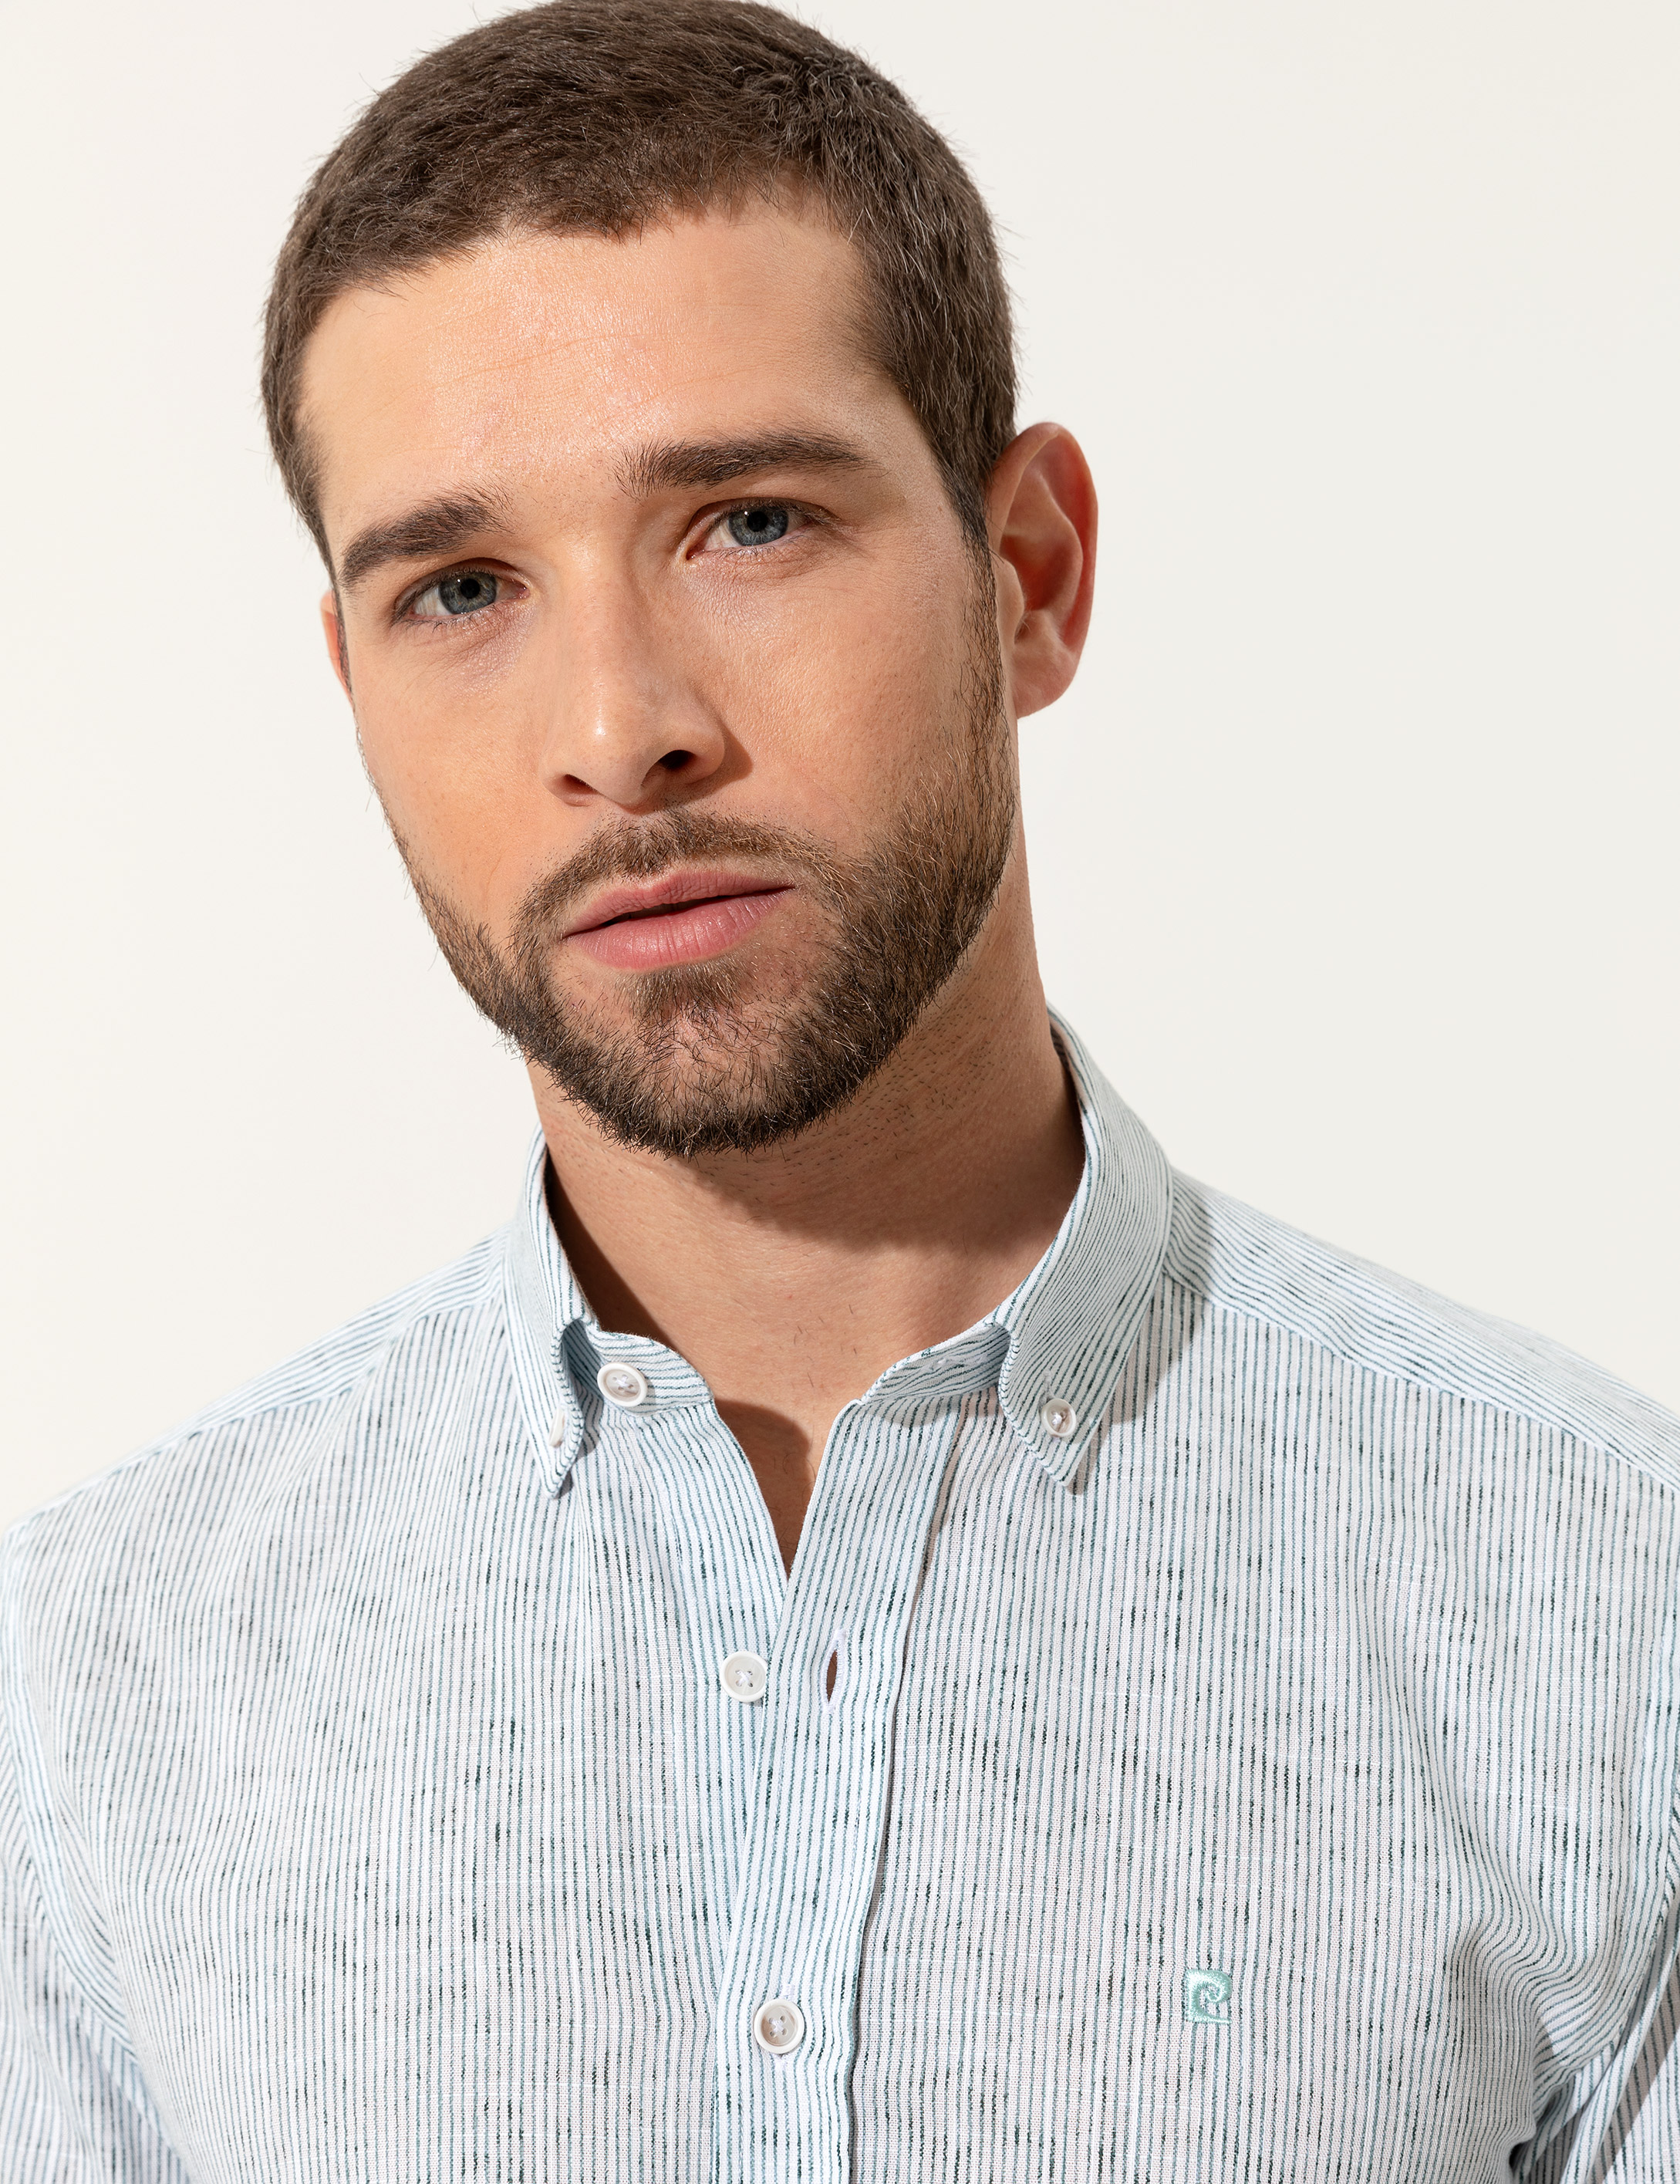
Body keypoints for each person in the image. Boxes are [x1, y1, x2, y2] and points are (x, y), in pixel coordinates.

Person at [2, 2, 1675, 2175]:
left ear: (1031, 576)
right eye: (464, 588)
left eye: (750, 524)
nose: (619, 729)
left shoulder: (1600, 1609)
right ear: (351, 676)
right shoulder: (91, 1696)